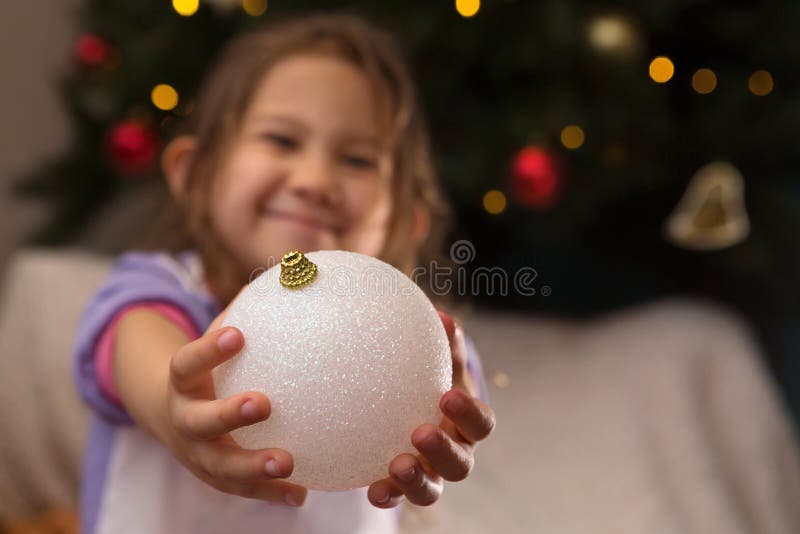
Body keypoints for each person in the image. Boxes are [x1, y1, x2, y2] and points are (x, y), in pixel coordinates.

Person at [73, 13, 495, 534]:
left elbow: (455, 382)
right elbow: (135, 345)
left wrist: (450, 412)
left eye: (359, 160)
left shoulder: (406, 336)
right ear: (197, 174)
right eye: (281, 140)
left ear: (405, 223)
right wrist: (175, 404)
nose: (315, 181)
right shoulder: (157, 291)